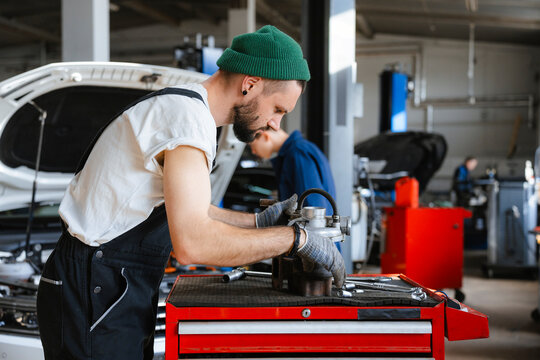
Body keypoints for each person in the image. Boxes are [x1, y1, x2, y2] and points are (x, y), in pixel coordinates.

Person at [36, 25, 345, 360]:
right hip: (94, 286)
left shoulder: (184, 109)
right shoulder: (187, 120)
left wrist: (257, 222)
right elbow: (193, 242)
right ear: (250, 84)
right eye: (278, 110)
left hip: (105, 285)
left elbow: (194, 210)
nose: (275, 125)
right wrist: (295, 240)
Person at [250, 128, 340, 250]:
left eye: (252, 145)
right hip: (316, 246)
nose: (253, 151)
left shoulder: (298, 153)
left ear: (265, 136)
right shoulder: (300, 149)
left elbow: (312, 208)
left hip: (317, 249)